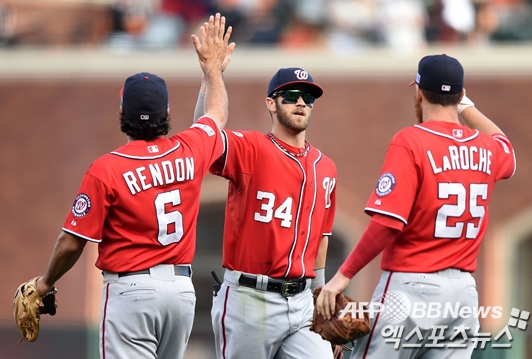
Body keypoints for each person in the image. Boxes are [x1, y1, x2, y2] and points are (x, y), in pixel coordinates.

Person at [21, 13, 232, 359]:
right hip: (181, 291)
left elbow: (72, 242)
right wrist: (212, 70)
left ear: (122, 111)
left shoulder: (106, 168)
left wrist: (46, 282)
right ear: (166, 113)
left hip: (131, 290)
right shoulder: (190, 149)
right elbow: (216, 114)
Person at [316, 54, 516, 358]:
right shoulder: (485, 146)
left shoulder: (411, 140)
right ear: (460, 95)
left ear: (418, 92)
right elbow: (507, 150)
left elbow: (387, 222)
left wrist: (342, 276)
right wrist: (467, 107)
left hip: (411, 287)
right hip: (463, 295)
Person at [193, 67, 338, 358]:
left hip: (302, 301)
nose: (301, 103)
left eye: (308, 98)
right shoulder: (251, 148)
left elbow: (320, 240)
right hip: (250, 297)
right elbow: (204, 137)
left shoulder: (326, 167)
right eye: (292, 96)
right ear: (271, 102)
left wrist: (323, 305)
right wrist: (211, 76)